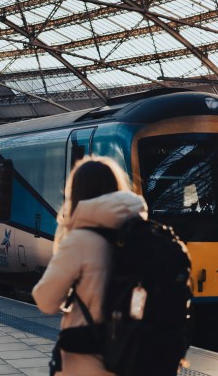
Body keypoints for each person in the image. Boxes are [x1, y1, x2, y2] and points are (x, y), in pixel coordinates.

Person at [32, 156, 148, 376]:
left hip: (88, 361)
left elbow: (46, 301)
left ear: (77, 193)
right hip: (131, 355)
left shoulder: (80, 241)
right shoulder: (140, 234)